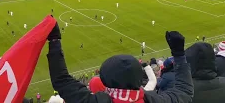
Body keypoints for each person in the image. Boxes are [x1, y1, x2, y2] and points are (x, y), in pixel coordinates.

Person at [46, 24, 194, 103]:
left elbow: (62, 80)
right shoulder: (152, 99)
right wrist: (179, 55)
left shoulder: (97, 100)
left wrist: (54, 41)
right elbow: (184, 91)